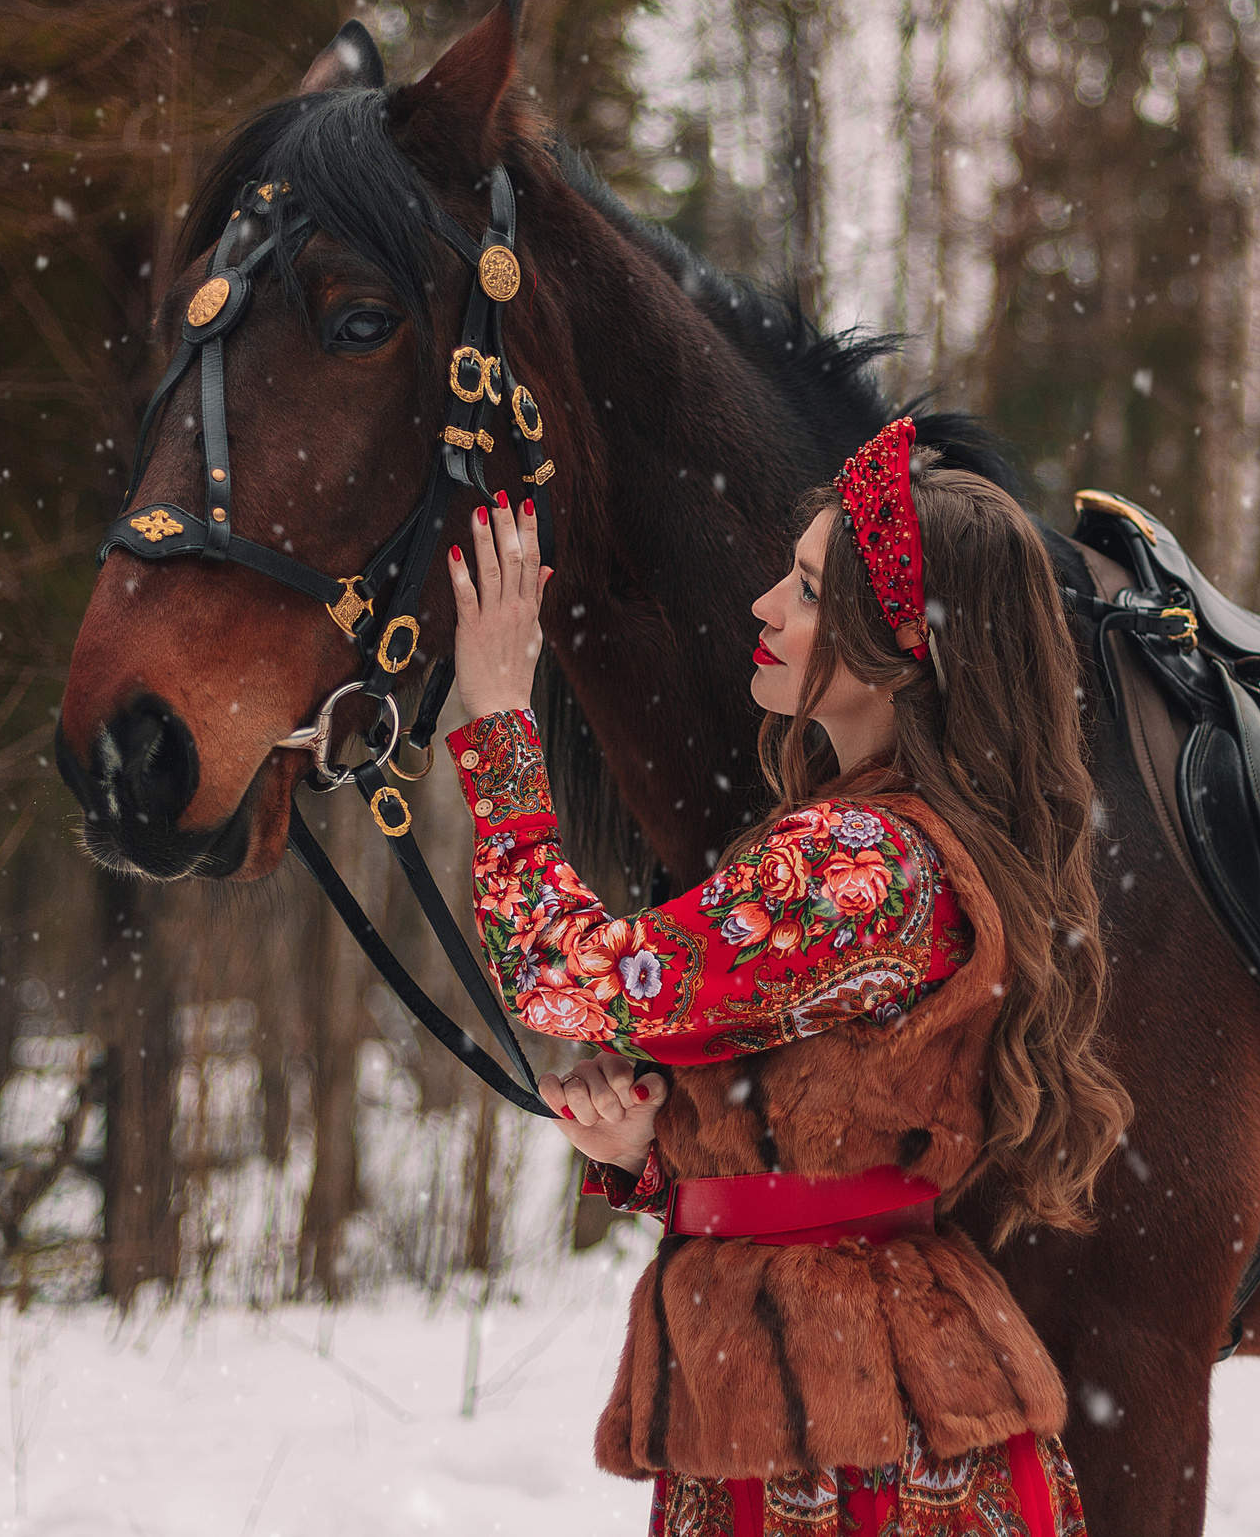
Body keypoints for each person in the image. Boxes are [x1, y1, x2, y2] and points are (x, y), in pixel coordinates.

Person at [442, 416, 1129, 1535]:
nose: (764, 606)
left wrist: (501, 722)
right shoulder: (884, 839)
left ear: (904, 649)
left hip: (851, 1427)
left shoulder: (860, 864)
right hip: (817, 1389)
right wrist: (654, 1152)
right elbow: (835, 1146)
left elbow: (565, 974)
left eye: (808, 590)